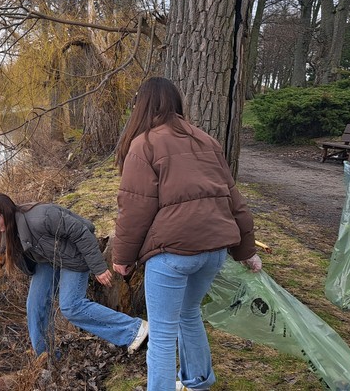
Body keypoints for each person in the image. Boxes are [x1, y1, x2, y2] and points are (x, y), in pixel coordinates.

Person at [111, 77, 263, 391]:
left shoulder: (144, 145)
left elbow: (134, 211)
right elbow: (234, 199)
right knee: (189, 311)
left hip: (173, 254)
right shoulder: (207, 141)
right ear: (176, 103)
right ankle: (198, 381)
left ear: (143, 106)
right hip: (214, 250)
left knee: (163, 335)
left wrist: (122, 259)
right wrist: (247, 251)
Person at [0, 193, 149, 358]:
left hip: (74, 255)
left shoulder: (42, 217)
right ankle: (47, 356)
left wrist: (98, 268)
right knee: (35, 305)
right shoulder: (7, 231)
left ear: (5, 213)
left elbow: (81, 233)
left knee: (71, 306)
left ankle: (134, 330)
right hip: (49, 259)